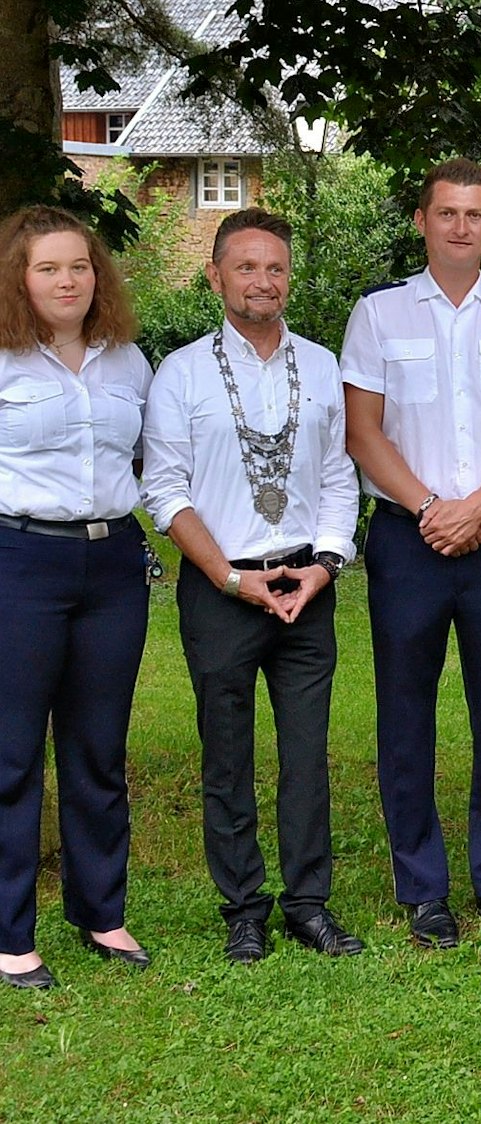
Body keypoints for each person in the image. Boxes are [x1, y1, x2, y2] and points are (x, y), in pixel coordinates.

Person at [340, 158, 481, 947]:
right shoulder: (378, 316)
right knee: (406, 716)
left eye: (475, 214)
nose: (461, 226)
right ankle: (423, 888)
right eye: (446, 213)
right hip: (408, 538)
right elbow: (361, 430)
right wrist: (433, 508)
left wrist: (477, 508)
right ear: (422, 221)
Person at [141, 208, 367, 964]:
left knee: (307, 754)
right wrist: (228, 577)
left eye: (274, 267)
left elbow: (339, 473)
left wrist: (328, 563)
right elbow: (165, 489)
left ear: (288, 278)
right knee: (226, 755)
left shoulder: (322, 363)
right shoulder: (181, 372)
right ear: (215, 276)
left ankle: (309, 905)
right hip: (221, 584)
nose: (262, 280)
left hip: (305, 582)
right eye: (245, 266)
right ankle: (244, 908)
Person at [0, 206, 153, 989]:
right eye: (48, 268)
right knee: (11, 755)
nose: (67, 281)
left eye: (80, 267)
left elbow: (153, 462)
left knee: (98, 751)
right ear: (20, 279)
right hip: (19, 564)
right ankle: (9, 933)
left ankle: (100, 912)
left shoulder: (127, 360)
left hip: (113, 567)